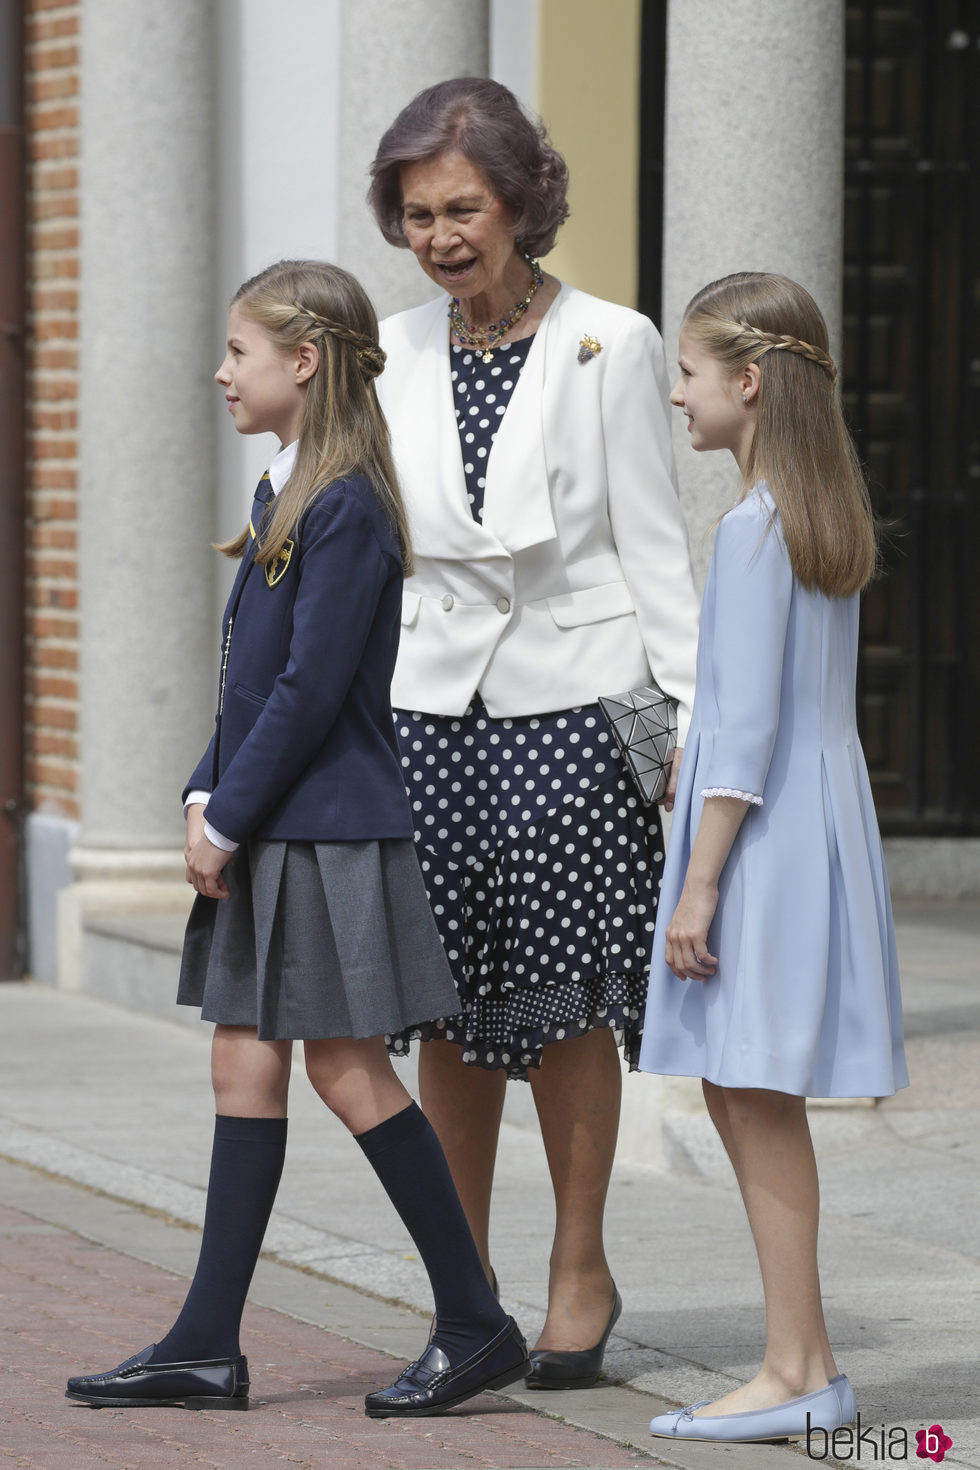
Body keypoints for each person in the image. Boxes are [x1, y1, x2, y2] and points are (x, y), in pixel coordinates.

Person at [65, 259, 528, 1419]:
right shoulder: (291, 492)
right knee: (246, 1059)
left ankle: (473, 1323)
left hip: (321, 830)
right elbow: (250, 687)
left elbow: (313, 692)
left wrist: (225, 814)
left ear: (303, 361)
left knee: (347, 1066)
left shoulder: (346, 506)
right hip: (276, 821)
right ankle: (206, 1343)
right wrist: (198, 790)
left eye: (238, 351)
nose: (221, 372)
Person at [368, 78, 701, 1389]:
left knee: (566, 1001)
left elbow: (656, 550)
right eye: (416, 214)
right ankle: (469, 1292)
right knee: (443, 1006)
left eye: (463, 207)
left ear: (521, 202)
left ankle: (579, 1266)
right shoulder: (383, 351)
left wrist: (682, 725)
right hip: (430, 714)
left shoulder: (611, 342)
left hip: (576, 705)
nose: (442, 235)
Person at [639, 272, 907, 1444]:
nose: (675, 397)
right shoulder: (816, 515)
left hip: (757, 838)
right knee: (749, 1089)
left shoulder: (754, 532)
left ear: (745, 383)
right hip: (812, 825)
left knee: (747, 1087)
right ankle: (802, 1364)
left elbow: (741, 736)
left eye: (687, 375)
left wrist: (695, 883)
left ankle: (797, 1365)